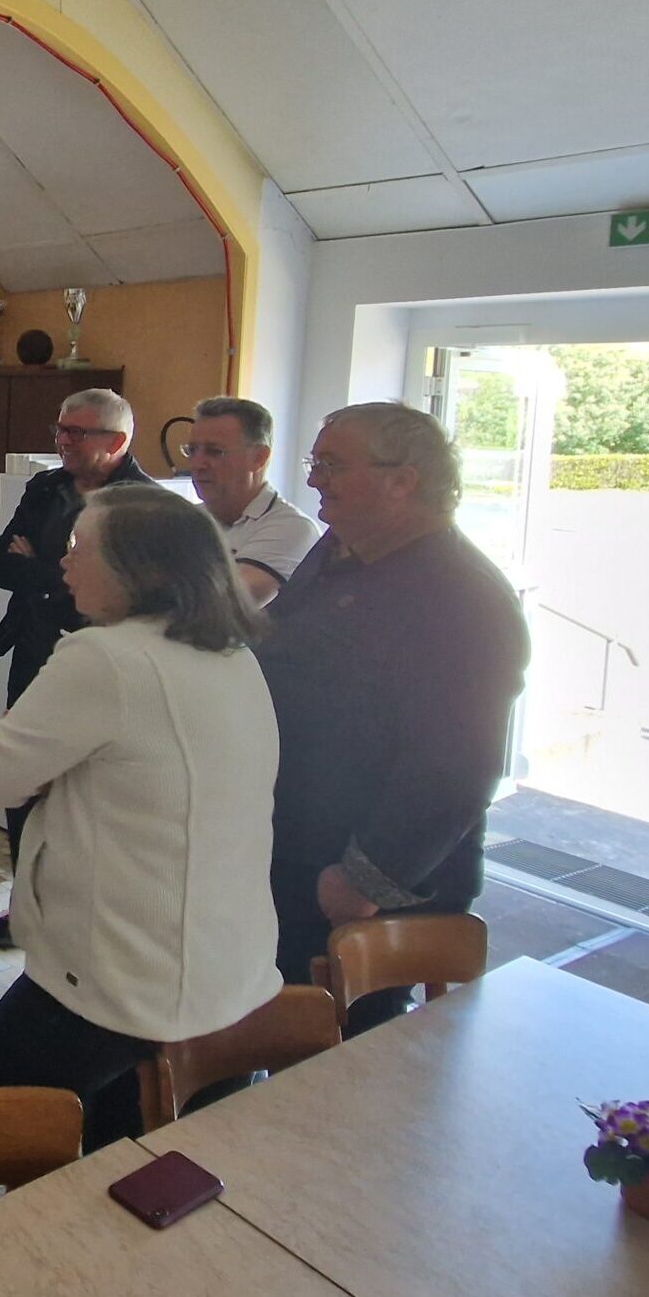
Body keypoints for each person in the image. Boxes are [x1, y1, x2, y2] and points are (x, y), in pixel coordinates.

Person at [0, 486, 279, 1147]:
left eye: (80, 550)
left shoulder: (106, 658)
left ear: (145, 572)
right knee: (126, 1149)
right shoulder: (232, 652)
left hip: (119, 971)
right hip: (223, 966)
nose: (63, 564)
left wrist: (44, 767)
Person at [256, 402, 529, 1033]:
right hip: (296, 846)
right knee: (271, 1028)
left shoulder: (464, 597)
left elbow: (456, 765)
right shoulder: (343, 549)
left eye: (332, 464)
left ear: (403, 480)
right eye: (314, 462)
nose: (316, 479)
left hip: (360, 886)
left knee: (345, 1065)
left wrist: (366, 879)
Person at [0, 386, 156, 947]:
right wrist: (63, 575)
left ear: (117, 440)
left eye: (76, 433)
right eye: (60, 429)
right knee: (27, 785)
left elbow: (130, 592)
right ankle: (24, 904)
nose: (62, 441)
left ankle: (77, 915)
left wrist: (47, 570)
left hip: (102, 666)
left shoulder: (144, 505)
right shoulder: (47, 486)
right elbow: (1, 563)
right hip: (34, 653)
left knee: (86, 793)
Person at [183, 395, 319, 606]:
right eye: (192, 451)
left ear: (259, 458)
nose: (197, 463)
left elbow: (229, 603)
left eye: (214, 452)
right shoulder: (183, 519)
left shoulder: (292, 528)